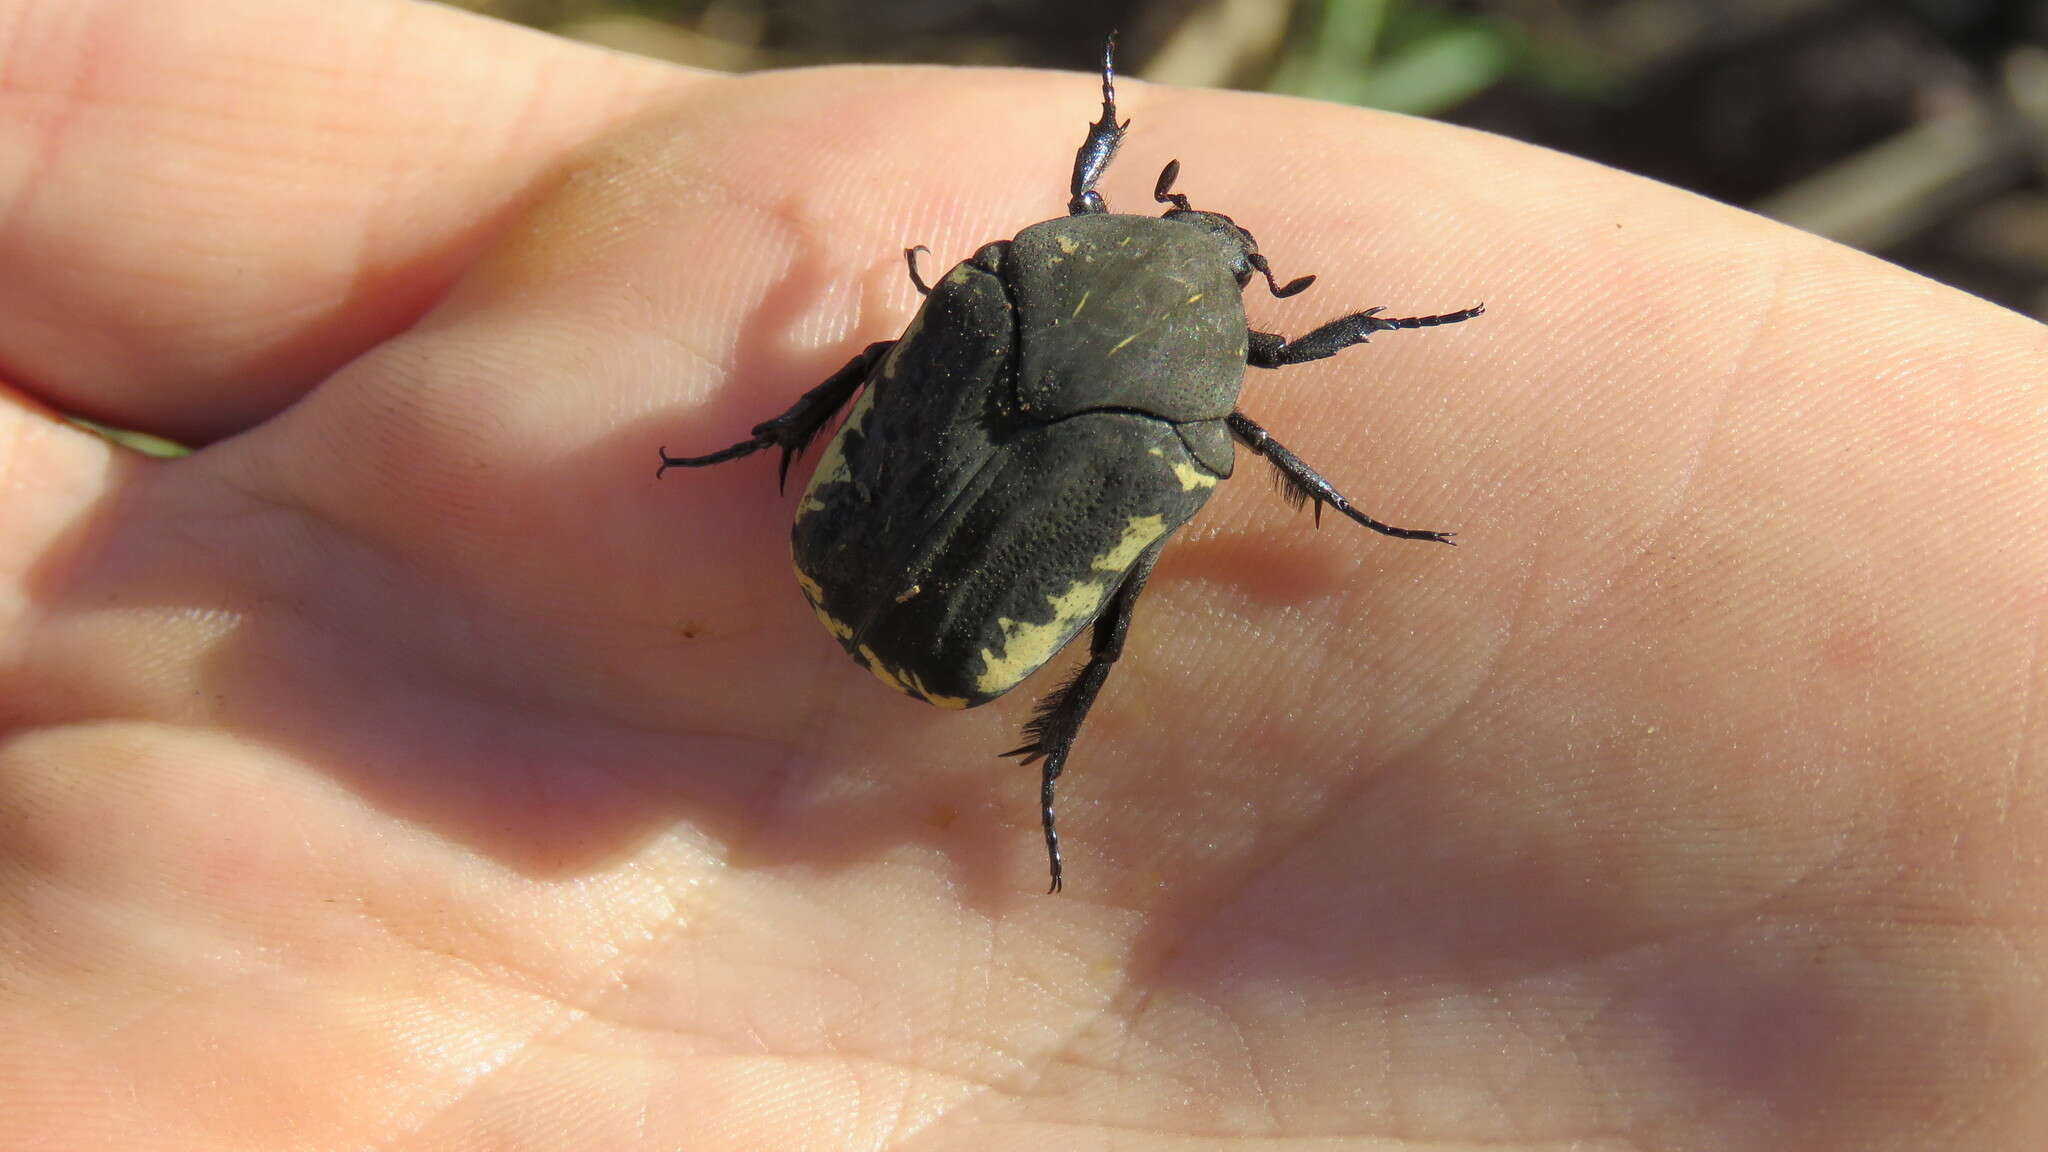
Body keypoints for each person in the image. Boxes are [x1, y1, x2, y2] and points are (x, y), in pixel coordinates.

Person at [2, 1, 2042, 1148]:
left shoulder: (1019, 285)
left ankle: (997, 703)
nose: (1225, 263)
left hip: (893, 544)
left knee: (976, 422)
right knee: (1122, 552)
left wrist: (764, 433)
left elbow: (1037, 244)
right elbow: (1243, 367)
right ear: (1231, 319)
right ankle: (1035, 745)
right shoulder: (1180, 383)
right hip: (964, 583)